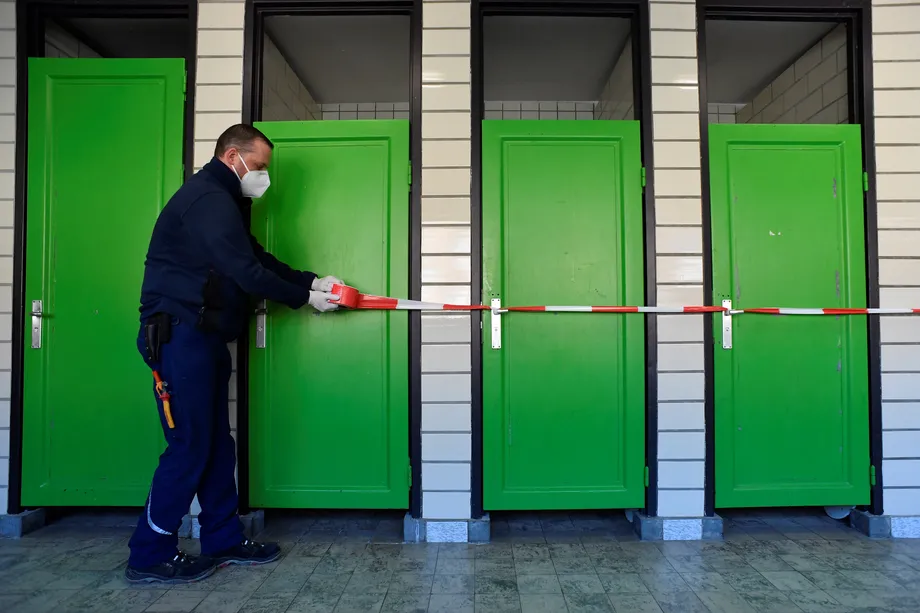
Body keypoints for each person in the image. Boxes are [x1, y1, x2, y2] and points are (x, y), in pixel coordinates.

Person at [126, 124, 342, 584]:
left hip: (204, 337)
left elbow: (255, 256)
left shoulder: (224, 201)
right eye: (259, 166)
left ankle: (222, 538)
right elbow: (245, 271)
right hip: (180, 337)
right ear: (232, 156)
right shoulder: (206, 200)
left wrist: (310, 280)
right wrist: (304, 299)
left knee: (216, 445)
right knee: (190, 444)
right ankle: (149, 553)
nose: (262, 176)